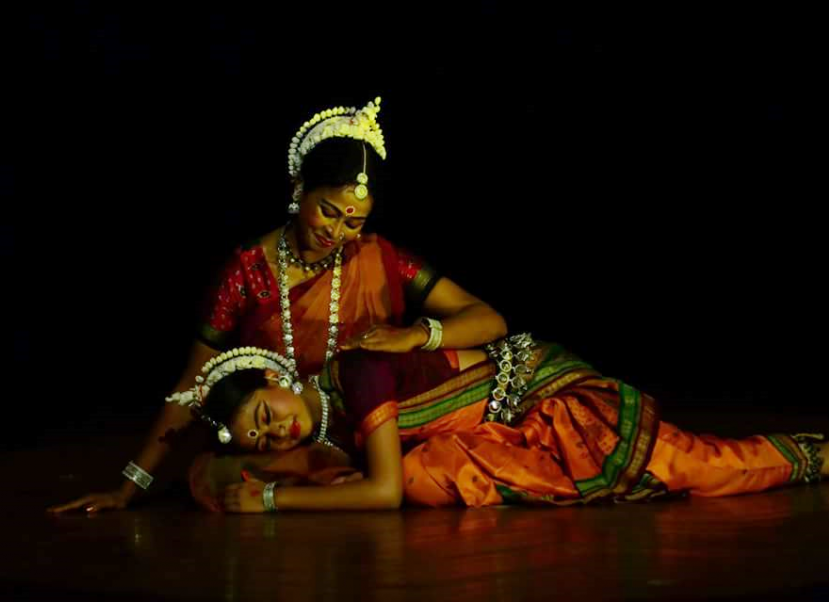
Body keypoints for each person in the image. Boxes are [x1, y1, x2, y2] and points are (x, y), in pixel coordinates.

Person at [49, 98, 507, 515]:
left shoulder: (379, 258)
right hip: (282, 433)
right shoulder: (248, 273)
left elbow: (489, 320)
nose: (338, 232)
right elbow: (192, 385)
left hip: (375, 431)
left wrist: (413, 335)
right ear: (299, 187)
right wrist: (129, 487)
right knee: (216, 476)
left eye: (355, 221)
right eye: (328, 210)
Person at [130, 342, 829, 514]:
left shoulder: (354, 374)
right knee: (436, 478)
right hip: (494, 434)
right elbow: (213, 472)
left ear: (277, 379)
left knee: (687, 468)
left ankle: (809, 457)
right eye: (261, 436)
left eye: (267, 414)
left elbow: (384, 489)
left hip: (542, 399)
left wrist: (269, 505)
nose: (275, 431)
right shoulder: (323, 428)